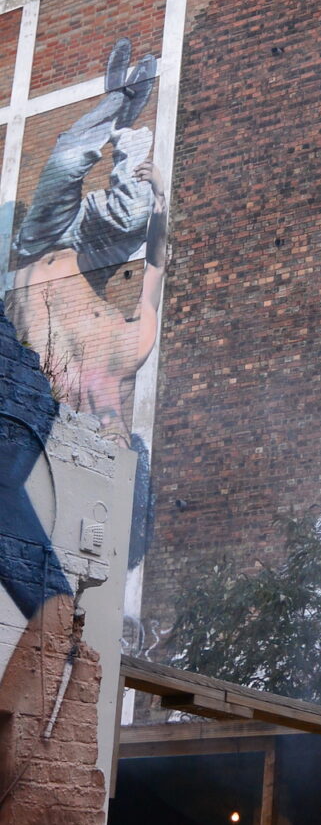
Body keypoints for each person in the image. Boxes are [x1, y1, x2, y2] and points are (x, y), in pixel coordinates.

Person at [7, 40, 166, 567]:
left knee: (70, 154)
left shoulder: (55, 402)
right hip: (93, 244)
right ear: (130, 439)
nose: (109, 437)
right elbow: (154, 272)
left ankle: (118, 100)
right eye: (120, 443)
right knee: (138, 204)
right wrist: (163, 198)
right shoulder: (130, 350)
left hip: (42, 241)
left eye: (107, 449)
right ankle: (127, 114)